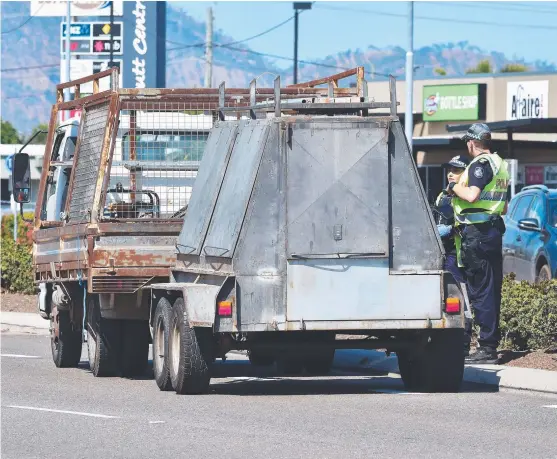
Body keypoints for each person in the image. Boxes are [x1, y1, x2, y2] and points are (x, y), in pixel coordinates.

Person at [446, 123, 509, 364]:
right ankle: (490, 343)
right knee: (492, 290)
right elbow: (503, 206)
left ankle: (486, 348)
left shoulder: (481, 165)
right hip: (492, 230)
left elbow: (472, 195)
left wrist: (454, 187)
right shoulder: (500, 164)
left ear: (471, 143)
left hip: (477, 233)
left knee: (480, 290)